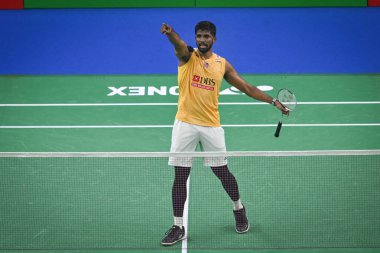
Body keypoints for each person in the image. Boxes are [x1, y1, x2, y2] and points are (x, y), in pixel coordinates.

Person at [160, 21, 289, 246]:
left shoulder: (222, 64)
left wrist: (273, 101)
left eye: (206, 36)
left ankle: (238, 208)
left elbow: (247, 88)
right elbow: (179, 45)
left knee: (222, 172)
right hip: (185, 124)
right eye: (199, 36)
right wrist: (171, 34)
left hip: (211, 126)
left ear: (214, 39)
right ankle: (178, 225)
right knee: (180, 176)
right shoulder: (187, 57)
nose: (202, 40)